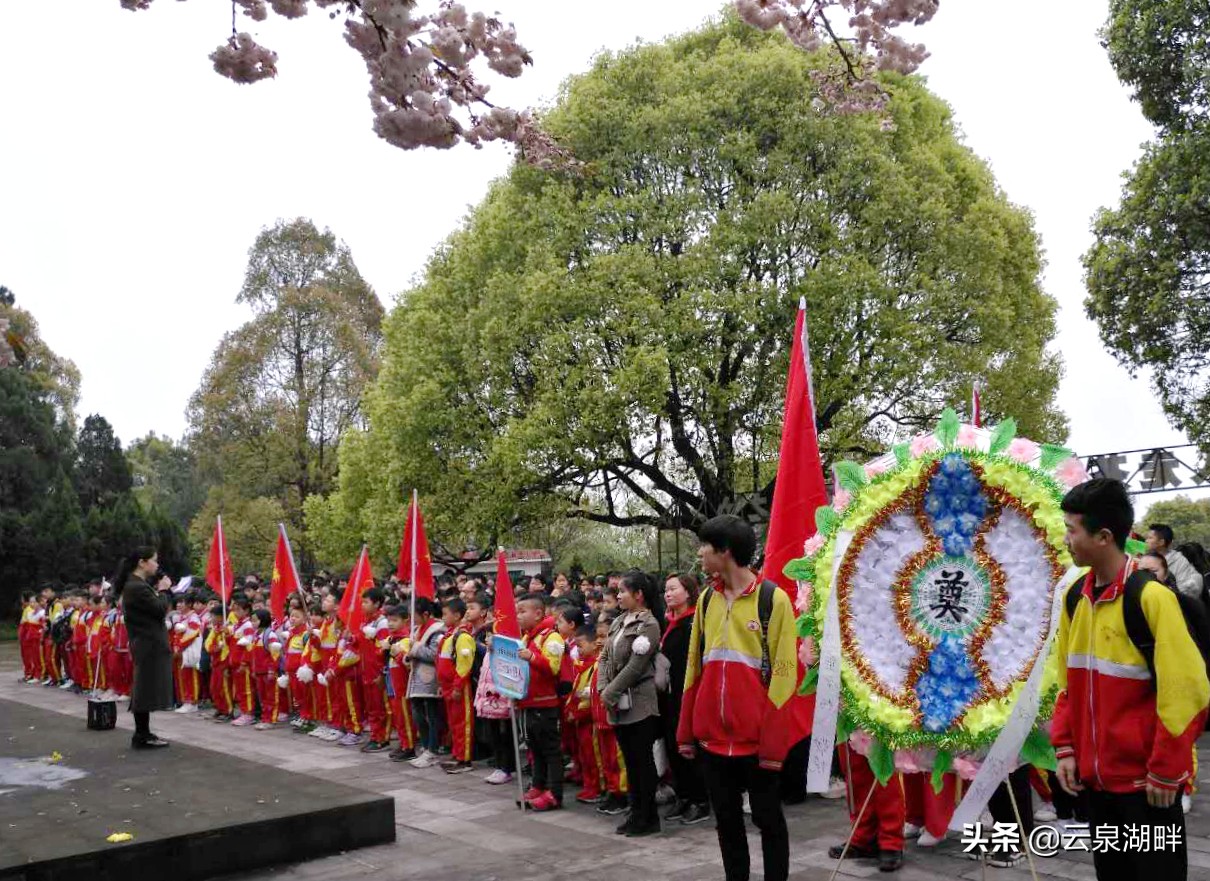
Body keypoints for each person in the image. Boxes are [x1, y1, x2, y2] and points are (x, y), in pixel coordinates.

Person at [1054, 479, 1210, 880]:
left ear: (1104, 537)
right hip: (1096, 787)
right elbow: (1066, 684)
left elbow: (1187, 690)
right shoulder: (1075, 598)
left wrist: (1166, 769)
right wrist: (1066, 749)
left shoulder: (1151, 598)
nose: (1066, 539)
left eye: (1071, 530)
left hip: (1147, 788)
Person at [678, 515, 799, 881]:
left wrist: (773, 744)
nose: (700, 553)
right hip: (713, 739)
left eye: (704, 546)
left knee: (768, 819)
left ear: (725, 551)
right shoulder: (706, 600)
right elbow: (693, 666)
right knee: (727, 822)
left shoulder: (772, 600)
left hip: (755, 740)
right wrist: (686, 730)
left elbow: (785, 674)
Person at [597, 570, 663, 837]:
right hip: (617, 702)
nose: (619, 596)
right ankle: (636, 813)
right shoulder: (619, 621)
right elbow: (604, 656)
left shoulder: (649, 624)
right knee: (630, 762)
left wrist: (610, 691)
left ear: (639, 595)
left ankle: (647, 817)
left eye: (623, 591)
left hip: (639, 703)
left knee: (641, 762)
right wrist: (603, 687)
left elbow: (636, 667)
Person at [660, 572, 710, 825]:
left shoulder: (695, 623)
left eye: (673, 589)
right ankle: (683, 795)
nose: (668, 594)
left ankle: (700, 800)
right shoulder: (669, 622)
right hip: (670, 695)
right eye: (666, 590)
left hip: (690, 693)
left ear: (688, 592)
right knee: (673, 746)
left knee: (691, 748)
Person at [117, 546, 173, 749]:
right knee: (143, 689)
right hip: (148, 643)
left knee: (145, 687)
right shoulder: (136, 586)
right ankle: (141, 734)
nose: (157, 565)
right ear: (142, 562)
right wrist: (164, 590)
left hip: (145, 642)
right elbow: (159, 609)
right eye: (154, 560)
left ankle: (143, 732)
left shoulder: (136, 585)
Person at [516, 592, 567, 811]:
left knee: (551, 750)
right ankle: (538, 785)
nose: (518, 616)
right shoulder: (527, 638)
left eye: (522, 611)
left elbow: (553, 668)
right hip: (528, 702)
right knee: (534, 748)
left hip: (545, 704)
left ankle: (555, 793)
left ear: (538, 614)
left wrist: (532, 657)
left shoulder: (551, 637)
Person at [436, 597, 477, 773]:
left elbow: (464, 665)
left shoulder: (463, 636)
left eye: (445, 614)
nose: (443, 617)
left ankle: (464, 759)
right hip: (448, 686)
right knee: (453, 723)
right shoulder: (450, 635)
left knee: (462, 723)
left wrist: (458, 687)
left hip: (459, 687)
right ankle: (457, 753)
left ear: (457, 615)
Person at [407, 597, 447, 768]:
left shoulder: (436, 631)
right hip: (417, 679)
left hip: (430, 679)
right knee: (418, 714)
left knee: (431, 716)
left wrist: (415, 648)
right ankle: (425, 747)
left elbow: (434, 654)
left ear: (425, 614)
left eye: (414, 615)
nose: (412, 618)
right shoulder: (418, 629)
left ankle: (433, 750)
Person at [1146, 523, 1204, 599]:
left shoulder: (1179, 561)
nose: (1146, 541)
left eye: (1150, 538)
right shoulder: (1146, 559)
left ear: (1161, 542)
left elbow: (1185, 593)